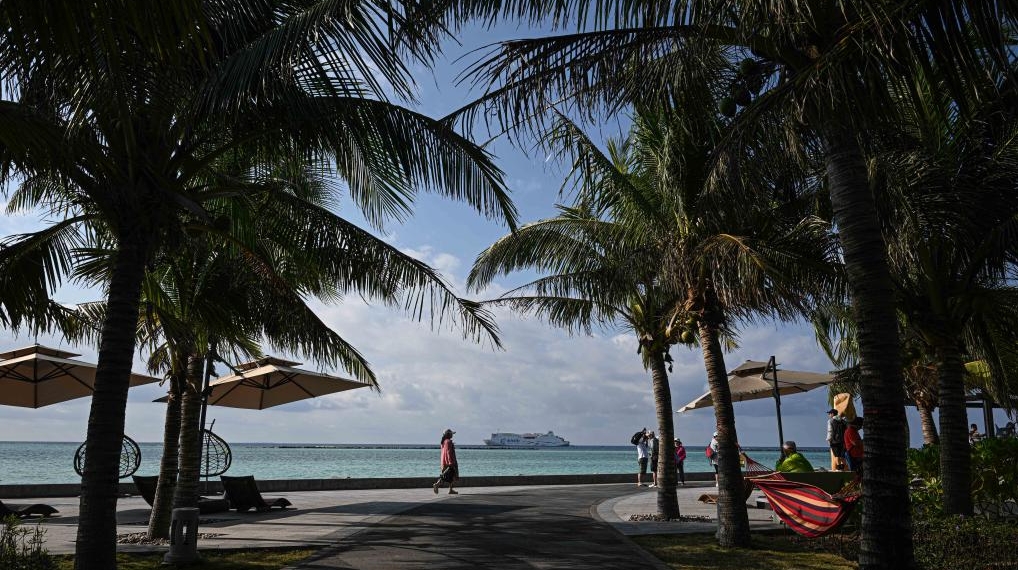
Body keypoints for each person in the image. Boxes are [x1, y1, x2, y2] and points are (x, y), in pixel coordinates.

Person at [432, 428, 459, 495]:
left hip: (444, 462)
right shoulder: (448, 442)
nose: (452, 435)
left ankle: (450, 490)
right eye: (451, 434)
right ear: (448, 434)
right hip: (449, 462)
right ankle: (437, 484)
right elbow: (448, 452)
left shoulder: (443, 442)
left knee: (449, 476)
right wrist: (451, 462)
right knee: (448, 475)